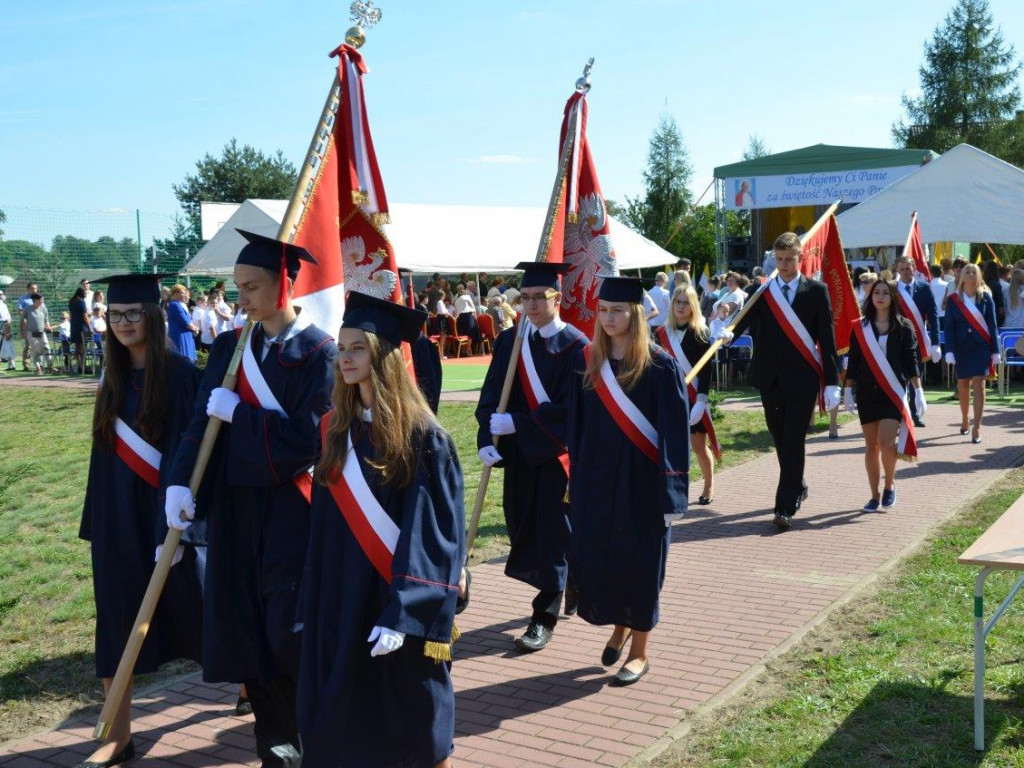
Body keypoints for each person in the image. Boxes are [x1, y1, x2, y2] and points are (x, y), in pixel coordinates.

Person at [164, 230, 336, 767]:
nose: (243, 298)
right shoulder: (230, 346)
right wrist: (180, 479)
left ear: (285, 283)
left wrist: (240, 414)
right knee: (250, 637)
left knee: (291, 635)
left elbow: (306, 441)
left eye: (254, 286)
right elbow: (201, 422)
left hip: (291, 513)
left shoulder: (319, 355)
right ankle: (277, 748)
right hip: (238, 514)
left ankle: (319, 739)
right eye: (238, 287)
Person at [296, 291, 463, 768]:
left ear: (383, 356)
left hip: (396, 598)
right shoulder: (334, 429)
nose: (344, 358)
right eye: (341, 348)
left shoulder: (424, 437)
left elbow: (432, 533)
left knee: (414, 716)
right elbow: (325, 526)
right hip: (342, 594)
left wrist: (406, 609)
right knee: (347, 715)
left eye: (357, 348)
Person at [76, 274, 204, 768]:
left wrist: (181, 528)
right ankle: (117, 734)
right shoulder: (110, 375)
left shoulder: (182, 374)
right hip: (117, 520)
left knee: (206, 612)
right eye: (114, 315)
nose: (123, 323)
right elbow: (101, 459)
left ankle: (252, 692)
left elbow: (188, 453)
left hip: (165, 517)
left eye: (132, 314)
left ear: (152, 315)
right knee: (115, 622)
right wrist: (99, 523)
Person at [566, 276, 688, 686]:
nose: (609, 317)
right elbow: (577, 430)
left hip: (642, 486)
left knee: (640, 566)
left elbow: (675, 435)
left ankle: (640, 652)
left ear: (635, 315)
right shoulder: (587, 363)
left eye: (618, 310)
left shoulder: (659, 366)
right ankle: (619, 627)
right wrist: (576, 482)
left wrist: (672, 494)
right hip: (598, 483)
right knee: (605, 560)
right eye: (603, 310)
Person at [475, 261, 588, 651]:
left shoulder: (577, 347)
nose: (533, 305)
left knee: (552, 534)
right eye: (526, 298)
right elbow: (491, 395)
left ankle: (543, 615)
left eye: (541, 297)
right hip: (521, 457)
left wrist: (519, 424)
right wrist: (485, 436)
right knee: (522, 525)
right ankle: (569, 576)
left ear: (558, 298)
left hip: (556, 458)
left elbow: (572, 409)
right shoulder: (510, 342)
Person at [715, 232, 841, 530]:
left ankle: (784, 506)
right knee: (778, 436)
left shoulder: (816, 291)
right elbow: (742, 320)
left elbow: (827, 337)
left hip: (802, 378)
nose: (783, 265)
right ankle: (797, 482)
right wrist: (728, 332)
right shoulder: (763, 291)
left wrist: (833, 380)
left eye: (789, 259)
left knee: (793, 437)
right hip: (769, 376)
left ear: (800, 258)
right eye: (779, 259)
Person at [843, 278, 925, 512]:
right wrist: (848, 389)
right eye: (876, 292)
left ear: (892, 298)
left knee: (886, 443)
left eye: (885, 293)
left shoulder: (904, 326)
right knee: (871, 447)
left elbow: (911, 361)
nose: (880, 296)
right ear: (871, 297)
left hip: (893, 392)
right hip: (867, 393)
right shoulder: (860, 327)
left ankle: (889, 485)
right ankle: (873, 495)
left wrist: (918, 391)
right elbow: (855, 361)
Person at [655, 284, 721, 505]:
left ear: (693, 306)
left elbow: (706, 370)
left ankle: (709, 485)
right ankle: (673, 488)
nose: (681, 306)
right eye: (677, 302)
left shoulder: (701, 333)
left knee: (698, 446)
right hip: (668, 398)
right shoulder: (660, 333)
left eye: (685, 302)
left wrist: (701, 400)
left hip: (693, 399)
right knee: (669, 446)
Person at [944, 263, 999, 444]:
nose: (969, 274)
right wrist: (949, 350)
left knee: (979, 385)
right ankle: (965, 418)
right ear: (961, 277)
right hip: (961, 348)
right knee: (963, 385)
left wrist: (995, 351)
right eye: (967, 272)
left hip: (981, 347)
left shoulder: (986, 298)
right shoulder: (954, 299)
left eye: (973, 272)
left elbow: (992, 326)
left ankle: (977, 427)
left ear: (978, 277)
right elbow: (949, 327)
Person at [894, 256, 940, 427]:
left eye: (908, 268)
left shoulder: (925, 288)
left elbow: (934, 317)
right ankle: (899, 415)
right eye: (902, 269)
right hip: (896, 341)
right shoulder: (892, 290)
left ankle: (914, 414)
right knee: (899, 379)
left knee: (915, 378)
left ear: (914, 268)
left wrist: (935, 343)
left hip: (918, 342)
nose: (906, 272)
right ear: (898, 270)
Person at [165, 284, 197, 362]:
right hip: (180, 337)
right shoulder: (175, 305)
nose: (185, 295)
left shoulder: (180, 305)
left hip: (186, 336)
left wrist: (194, 327)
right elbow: (186, 322)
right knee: (183, 360)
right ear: (175, 294)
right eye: (183, 293)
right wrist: (195, 328)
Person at [25, 292, 52, 374]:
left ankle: (50, 367)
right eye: (41, 299)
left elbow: (46, 320)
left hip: (42, 332)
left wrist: (48, 327)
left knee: (47, 348)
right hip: (31, 333)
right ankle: (38, 368)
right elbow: (23, 320)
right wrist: (22, 331)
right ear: (35, 300)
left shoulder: (44, 308)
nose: (42, 301)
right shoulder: (28, 309)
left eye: (43, 299)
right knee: (35, 351)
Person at [69, 286, 90, 374]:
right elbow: (85, 317)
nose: (85, 295)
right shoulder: (81, 301)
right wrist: (90, 327)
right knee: (83, 348)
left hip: (74, 326)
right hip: (81, 327)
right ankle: (83, 367)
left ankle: (79, 366)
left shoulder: (71, 302)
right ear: (81, 293)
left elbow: (70, 315)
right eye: (84, 293)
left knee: (77, 348)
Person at [18, 281, 38, 371]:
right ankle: (26, 364)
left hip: (38, 325)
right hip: (28, 325)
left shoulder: (39, 298)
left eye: (35, 288)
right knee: (28, 345)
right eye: (32, 288)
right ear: (28, 289)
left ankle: (39, 364)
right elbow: (20, 311)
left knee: (38, 345)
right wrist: (24, 321)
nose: (34, 290)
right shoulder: (23, 299)